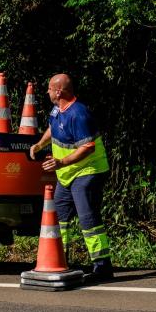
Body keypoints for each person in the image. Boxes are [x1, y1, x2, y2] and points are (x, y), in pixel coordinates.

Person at [30, 74, 114, 282]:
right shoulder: (57, 110)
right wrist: (40, 144)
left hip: (89, 170)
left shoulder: (79, 114)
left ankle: (102, 266)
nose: (47, 91)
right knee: (58, 218)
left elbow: (88, 147)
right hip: (67, 174)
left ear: (59, 91)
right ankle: (59, 260)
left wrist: (61, 163)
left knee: (88, 219)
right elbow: (52, 128)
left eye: (49, 88)